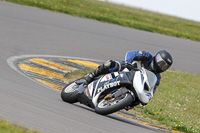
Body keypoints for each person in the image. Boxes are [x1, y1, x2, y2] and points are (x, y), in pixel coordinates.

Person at [85, 50, 173, 94]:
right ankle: (92, 74)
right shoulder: (147, 56)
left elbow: (151, 90)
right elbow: (131, 54)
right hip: (127, 69)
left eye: (165, 67)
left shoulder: (157, 77)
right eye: (162, 64)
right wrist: (128, 63)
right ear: (157, 59)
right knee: (110, 64)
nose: (162, 67)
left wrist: (147, 97)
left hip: (133, 83)